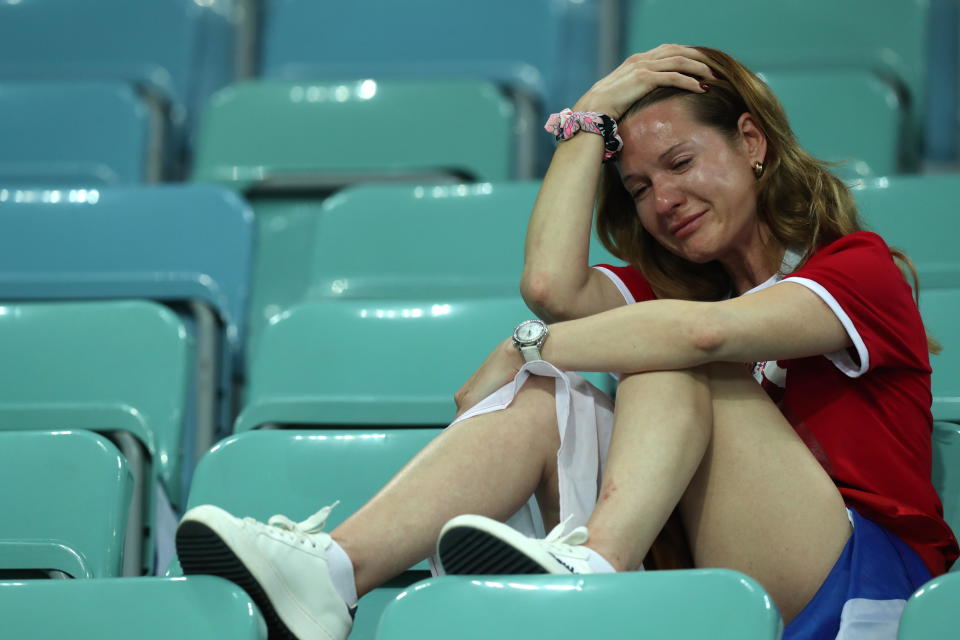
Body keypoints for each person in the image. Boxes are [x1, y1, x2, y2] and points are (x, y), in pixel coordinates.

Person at [175, 45, 958, 640]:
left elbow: (701, 333)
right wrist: (589, 114)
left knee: (660, 350)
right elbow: (549, 287)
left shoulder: (859, 270)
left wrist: (530, 344)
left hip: (862, 588)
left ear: (751, 142)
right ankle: (333, 572)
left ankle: (595, 567)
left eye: (681, 162)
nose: (665, 201)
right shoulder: (675, 289)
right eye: (640, 188)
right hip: (717, 583)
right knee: (552, 395)